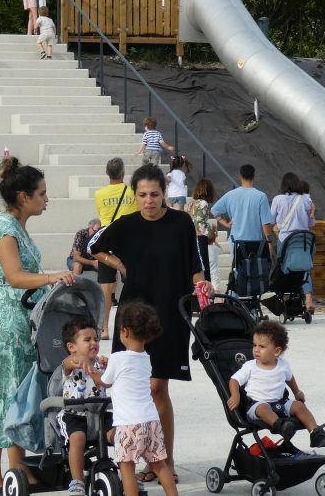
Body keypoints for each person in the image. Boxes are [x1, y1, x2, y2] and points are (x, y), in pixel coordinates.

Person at [89, 164, 206, 484]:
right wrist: (119, 264)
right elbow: (93, 246)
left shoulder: (181, 222)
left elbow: (196, 264)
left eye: (155, 194)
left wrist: (202, 291)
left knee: (157, 387)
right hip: (133, 317)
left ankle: (164, 461)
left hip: (169, 313)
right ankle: (140, 458)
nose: (149, 201)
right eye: (142, 195)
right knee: (129, 390)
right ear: (135, 195)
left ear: (164, 194)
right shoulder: (125, 224)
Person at [0, 157, 76, 496]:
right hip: (7, 320)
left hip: (23, 319)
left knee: (18, 394)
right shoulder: (3, 229)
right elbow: (15, 277)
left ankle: (16, 469)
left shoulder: (16, 226)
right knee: (2, 395)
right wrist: (52, 277)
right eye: (42, 194)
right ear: (23, 197)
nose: (46, 200)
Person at [87, 301, 179, 496]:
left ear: (125, 331)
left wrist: (93, 372)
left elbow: (105, 382)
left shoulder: (118, 358)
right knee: (159, 465)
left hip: (128, 425)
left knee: (126, 468)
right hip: (151, 421)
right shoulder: (146, 358)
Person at [226, 321, 325, 448]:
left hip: (280, 403)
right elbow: (234, 380)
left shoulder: (283, 365)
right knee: (263, 408)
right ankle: (281, 427)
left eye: (262, 347)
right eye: (254, 345)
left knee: (299, 406)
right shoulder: (250, 366)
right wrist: (235, 395)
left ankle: (316, 433)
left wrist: (297, 392)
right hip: (257, 405)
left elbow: (290, 378)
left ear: (276, 351)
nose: (256, 350)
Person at [58, 317, 113, 496]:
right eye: (87, 340)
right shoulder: (71, 364)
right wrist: (74, 360)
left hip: (100, 413)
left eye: (95, 339)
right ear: (72, 347)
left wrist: (107, 367)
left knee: (120, 433)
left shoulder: (100, 363)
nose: (94, 343)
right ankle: (77, 482)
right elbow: (66, 364)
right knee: (78, 439)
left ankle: (127, 472)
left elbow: (109, 382)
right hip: (74, 414)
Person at [212, 164, 275, 294]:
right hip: (255, 243)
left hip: (235, 242)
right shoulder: (261, 196)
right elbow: (265, 223)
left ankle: (235, 300)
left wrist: (225, 223)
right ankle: (251, 302)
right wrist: (269, 242)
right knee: (253, 273)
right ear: (254, 176)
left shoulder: (231, 195)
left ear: (240, 176)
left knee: (236, 271)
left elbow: (214, 210)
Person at [92, 157, 137, 339]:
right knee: (131, 285)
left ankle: (104, 328)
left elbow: (102, 216)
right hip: (128, 238)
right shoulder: (132, 192)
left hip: (107, 240)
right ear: (123, 173)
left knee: (106, 287)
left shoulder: (99, 194)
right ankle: (128, 327)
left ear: (107, 173)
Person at [270, 172, 317, 313]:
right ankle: (308, 299)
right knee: (304, 267)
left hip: (286, 241)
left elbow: (270, 220)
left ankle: (284, 296)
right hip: (304, 242)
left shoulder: (278, 199)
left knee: (283, 266)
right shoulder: (306, 200)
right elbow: (311, 223)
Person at [185, 178, 216, 280]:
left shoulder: (192, 202)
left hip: (191, 237)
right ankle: (205, 292)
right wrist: (211, 232)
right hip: (200, 237)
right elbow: (200, 224)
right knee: (204, 266)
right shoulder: (203, 203)